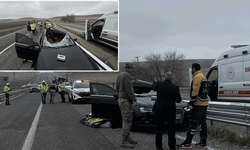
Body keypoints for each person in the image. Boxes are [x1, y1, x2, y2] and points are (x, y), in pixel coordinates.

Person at [177, 63, 210, 149]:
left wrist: (191, 103)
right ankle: (203, 142)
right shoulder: (203, 76)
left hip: (198, 104)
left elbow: (195, 91)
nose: (191, 70)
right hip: (205, 103)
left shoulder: (197, 77)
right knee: (203, 124)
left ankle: (187, 143)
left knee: (193, 123)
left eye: (192, 68)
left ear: (194, 69)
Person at [152, 72, 182, 150]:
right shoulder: (175, 87)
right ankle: (172, 146)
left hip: (160, 110)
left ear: (165, 77)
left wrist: (155, 82)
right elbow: (178, 100)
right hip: (170, 111)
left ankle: (159, 146)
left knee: (159, 129)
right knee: (171, 130)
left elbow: (153, 87)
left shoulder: (159, 85)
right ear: (172, 78)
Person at [116, 62, 138, 149]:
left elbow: (117, 88)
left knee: (125, 119)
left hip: (120, 99)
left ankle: (128, 138)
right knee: (127, 121)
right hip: (125, 101)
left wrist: (120, 96)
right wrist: (134, 100)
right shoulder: (127, 76)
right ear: (131, 68)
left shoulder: (120, 75)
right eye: (132, 68)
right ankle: (124, 141)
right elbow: (129, 89)